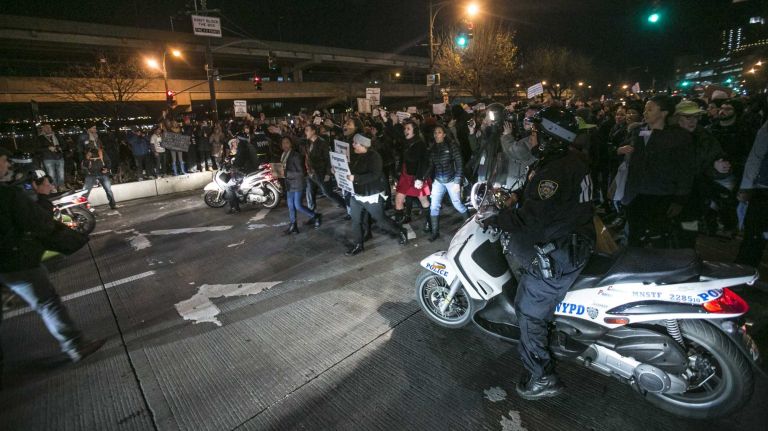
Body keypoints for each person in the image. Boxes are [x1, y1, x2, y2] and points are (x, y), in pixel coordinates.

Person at [480, 107, 594, 400]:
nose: (531, 138)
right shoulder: (570, 159)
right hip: (576, 237)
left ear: (549, 137)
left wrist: (495, 218)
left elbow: (528, 218)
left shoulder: (555, 170)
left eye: (535, 133)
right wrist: (518, 196)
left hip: (561, 252)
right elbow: (546, 198)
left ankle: (542, 377)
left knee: (528, 311)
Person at [0, 148, 104, 375]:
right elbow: (40, 224)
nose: (7, 164)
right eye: (4, 160)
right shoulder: (8, 195)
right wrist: (43, 203)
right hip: (16, 262)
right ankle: (75, 345)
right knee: (48, 302)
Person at [619, 95, 694, 248]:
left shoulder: (678, 136)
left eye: (650, 109)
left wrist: (680, 199)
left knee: (657, 237)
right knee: (634, 236)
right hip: (635, 194)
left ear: (664, 112)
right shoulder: (637, 131)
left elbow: (685, 170)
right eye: (645, 109)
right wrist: (619, 150)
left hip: (661, 196)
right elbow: (624, 155)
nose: (645, 113)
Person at [345, 133, 408, 256]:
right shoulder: (355, 155)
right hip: (356, 193)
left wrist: (356, 178)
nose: (353, 145)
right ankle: (358, 244)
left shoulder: (374, 157)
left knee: (381, 220)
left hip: (371, 194)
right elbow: (349, 170)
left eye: (355, 143)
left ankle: (400, 231)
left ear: (363, 144)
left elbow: (374, 175)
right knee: (355, 220)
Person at [426, 124, 469, 241]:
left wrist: (457, 181)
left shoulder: (451, 146)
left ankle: (470, 228)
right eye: (435, 133)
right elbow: (430, 166)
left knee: (458, 204)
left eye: (439, 132)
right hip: (438, 181)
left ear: (444, 134)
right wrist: (422, 178)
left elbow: (460, 163)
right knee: (434, 206)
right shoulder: (433, 148)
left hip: (451, 180)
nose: (436, 135)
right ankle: (435, 232)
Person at [735, 119, 768, 267]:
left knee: (754, 237)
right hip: (763, 188)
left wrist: (746, 186)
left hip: (763, 187)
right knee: (754, 236)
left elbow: (756, 156)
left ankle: (744, 272)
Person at [394, 119, 431, 231]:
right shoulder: (405, 142)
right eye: (405, 128)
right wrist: (388, 120)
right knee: (398, 199)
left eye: (408, 129)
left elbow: (424, 162)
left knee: (423, 200)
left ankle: (430, 222)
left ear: (414, 131)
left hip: (416, 176)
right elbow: (394, 133)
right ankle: (399, 229)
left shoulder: (420, 144)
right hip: (405, 175)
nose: (406, 130)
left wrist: (419, 178)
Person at [281, 137, 321, 234]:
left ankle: (316, 216)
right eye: (283, 143)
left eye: (287, 142)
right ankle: (293, 225)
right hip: (289, 184)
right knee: (290, 205)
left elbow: (301, 173)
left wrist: (286, 173)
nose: (284, 145)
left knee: (297, 205)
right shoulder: (283, 155)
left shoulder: (295, 156)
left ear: (291, 144)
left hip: (298, 183)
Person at [303, 124, 345, 212]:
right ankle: (313, 215)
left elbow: (328, 159)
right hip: (311, 174)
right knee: (310, 194)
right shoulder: (307, 142)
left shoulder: (322, 142)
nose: (305, 132)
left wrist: (328, 174)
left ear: (313, 131)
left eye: (307, 130)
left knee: (328, 193)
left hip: (321, 173)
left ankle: (347, 206)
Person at [37, 123, 65, 190]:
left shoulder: (57, 136)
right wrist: (48, 148)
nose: (48, 128)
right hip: (48, 158)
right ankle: (53, 187)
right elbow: (37, 149)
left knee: (61, 174)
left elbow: (64, 145)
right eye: (46, 127)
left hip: (59, 157)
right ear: (43, 129)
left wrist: (60, 148)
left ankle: (61, 186)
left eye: (49, 127)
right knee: (51, 175)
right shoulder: (40, 138)